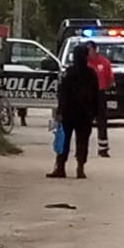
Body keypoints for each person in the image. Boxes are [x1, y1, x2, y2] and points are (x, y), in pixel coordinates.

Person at [47, 45, 100, 179]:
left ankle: (60, 167)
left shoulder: (69, 73)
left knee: (63, 140)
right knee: (83, 141)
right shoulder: (91, 73)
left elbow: (63, 94)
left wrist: (59, 112)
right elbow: (96, 95)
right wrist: (95, 112)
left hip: (68, 112)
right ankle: (80, 167)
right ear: (86, 56)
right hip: (85, 113)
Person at [87, 41, 114, 158]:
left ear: (94, 49)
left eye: (89, 49)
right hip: (86, 95)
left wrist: (104, 88)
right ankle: (82, 148)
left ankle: (103, 148)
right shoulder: (84, 63)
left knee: (102, 121)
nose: (87, 52)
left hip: (99, 93)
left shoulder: (104, 62)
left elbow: (110, 78)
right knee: (84, 122)